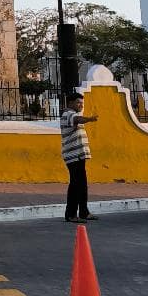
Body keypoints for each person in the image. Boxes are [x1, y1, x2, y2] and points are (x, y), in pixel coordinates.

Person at [61, 90, 98, 222]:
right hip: (73, 156)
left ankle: (83, 212)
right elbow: (77, 119)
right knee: (76, 185)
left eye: (82, 103)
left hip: (79, 156)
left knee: (82, 184)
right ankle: (70, 214)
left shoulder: (73, 114)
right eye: (78, 103)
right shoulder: (68, 114)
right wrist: (89, 119)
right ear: (70, 103)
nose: (81, 105)